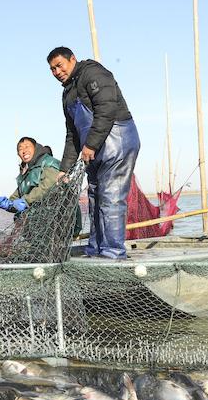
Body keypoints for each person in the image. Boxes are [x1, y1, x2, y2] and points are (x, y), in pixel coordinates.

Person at [48, 46, 140, 259]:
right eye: (52, 69)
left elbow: (106, 110)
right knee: (95, 198)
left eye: (59, 65)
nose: (56, 72)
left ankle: (113, 254)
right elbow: (72, 134)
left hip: (118, 140)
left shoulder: (94, 73)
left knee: (111, 197)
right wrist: (64, 169)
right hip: (95, 149)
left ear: (72, 59)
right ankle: (96, 249)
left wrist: (90, 145)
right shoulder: (67, 92)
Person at [0, 137, 61, 214]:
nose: (24, 151)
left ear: (35, 147)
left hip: (58, 214)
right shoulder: (24, 174)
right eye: (20, 149)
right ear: (18, 154)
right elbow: (17, 197)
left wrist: (26, 200)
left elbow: (49, 186)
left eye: (27, 146)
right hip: (37, 219)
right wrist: (9, 204)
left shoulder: (49, 162)